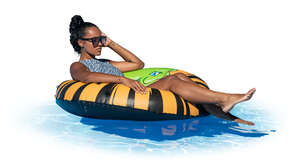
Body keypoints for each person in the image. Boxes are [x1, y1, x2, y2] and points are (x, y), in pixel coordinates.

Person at [69, 15, 256, 126]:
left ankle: (222, 111)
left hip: (136, 89)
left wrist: (111, 44)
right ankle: (224, 99)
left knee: (179, 76)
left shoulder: (108, 62)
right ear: (81, 43)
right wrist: (123, 80)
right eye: (95, 41)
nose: (99, 44)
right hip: (124, 94)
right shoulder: (78, 66)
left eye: (100, 39)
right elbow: (87, 77)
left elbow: (137, 64)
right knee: (173, 81)